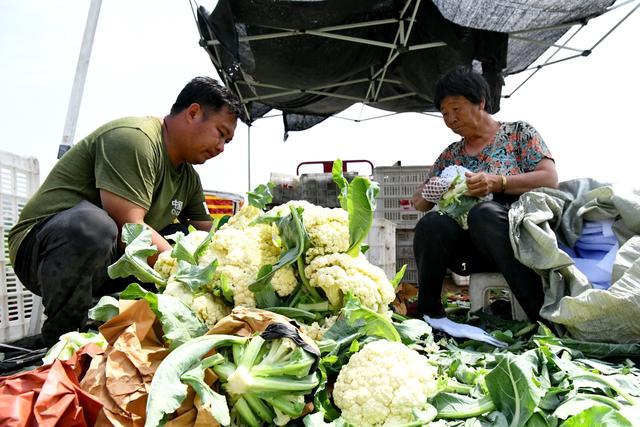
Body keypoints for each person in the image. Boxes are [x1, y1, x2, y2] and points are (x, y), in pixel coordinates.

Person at [8, 76, 241, 346]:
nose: (221, 148)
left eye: (228, 141)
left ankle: (118, 331)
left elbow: (207, 234)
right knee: (97, 226)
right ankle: (61, 338)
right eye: (221, 133)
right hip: (41, 250)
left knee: (183, 238)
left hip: (108, 260)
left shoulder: (189, 179)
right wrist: (197, 280)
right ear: (193, 112)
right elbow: (129, 229)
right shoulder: (135, 139)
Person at [412, 67, 558, 322]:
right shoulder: (451, 155)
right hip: (470, 254)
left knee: (484, 213)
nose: (450, 118)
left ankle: (540, 317)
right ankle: (430, 313)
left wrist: (499, 182)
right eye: (445, 113)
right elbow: (420, 203)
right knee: (431, 223)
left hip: (518, 243)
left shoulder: (518, 134)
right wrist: (432, 191)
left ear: (481, 102)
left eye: (456, 109)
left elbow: (549, 179)